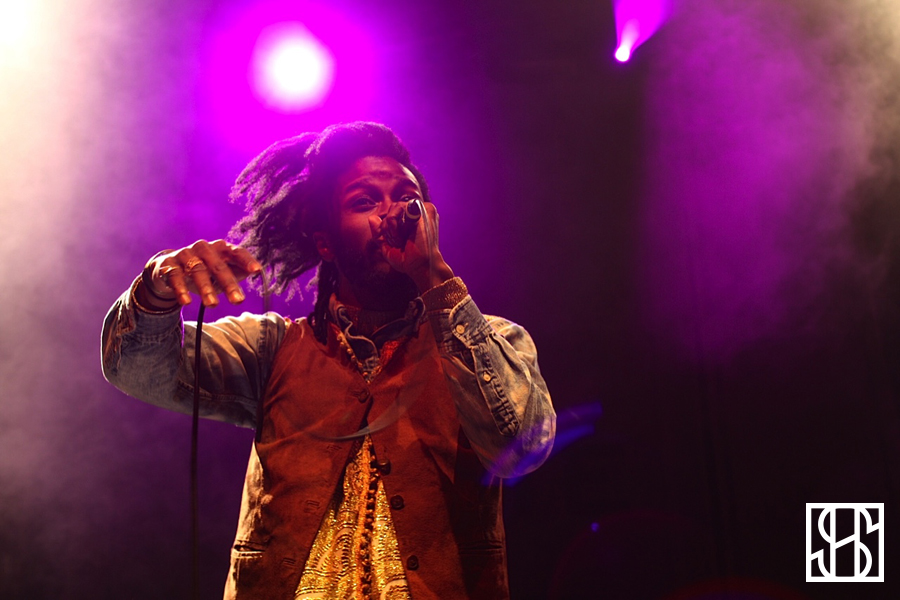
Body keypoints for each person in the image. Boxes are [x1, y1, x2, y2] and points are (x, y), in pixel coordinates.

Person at [101, 122, 555, 600]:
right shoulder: (273, 346)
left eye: (407, 198)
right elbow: (135, 368)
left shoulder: (489, 340)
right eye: (365, 202)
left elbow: (522, 447)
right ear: (325, 243)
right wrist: (153, 290)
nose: (392, 213)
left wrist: (435, 277)